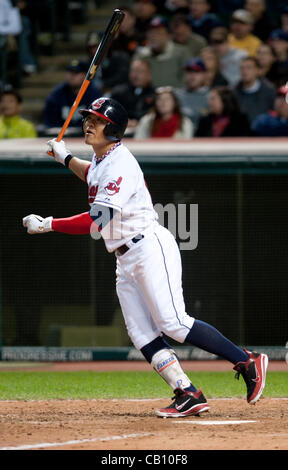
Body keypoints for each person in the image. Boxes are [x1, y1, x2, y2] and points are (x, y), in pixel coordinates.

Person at [22, 96, 268, 417]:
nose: (88, 124)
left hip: (148, 247)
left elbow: (98, 218)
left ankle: (246, 360)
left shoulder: (120, 161)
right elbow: (93, 176)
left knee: (174, 323)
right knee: (141, 334)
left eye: (97, 121)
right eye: (88, 119)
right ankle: (187, 392)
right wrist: (65, 157)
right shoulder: (102, 159)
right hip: (124, 257)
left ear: (113, 129)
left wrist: (49, 224)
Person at [42, 59, 101, 134]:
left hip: (86, 137)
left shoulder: (94, 94)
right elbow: (49, 124)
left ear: (85, 75)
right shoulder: (57, 94)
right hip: (61, 138)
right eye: (70, 72)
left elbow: (98, 123)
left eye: (76, 73)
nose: (71, 76)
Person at [133, 15, 190, 88]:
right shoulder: (141, 54)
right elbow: (134, 77)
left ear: (168, 36)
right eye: (151, 33)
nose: (154, 37)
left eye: (159, 33)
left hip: (175, 95)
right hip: (148, 96)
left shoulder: (181, 52)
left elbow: (187, 78)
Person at [109, 59, 155, 136]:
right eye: (133, 71)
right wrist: (124, 121)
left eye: (140, 71)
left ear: (149, 75)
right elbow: (111, 112)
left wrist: (140, 122)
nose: (135, 75)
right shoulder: (118, 92)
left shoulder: (155, 95)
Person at [234, 56, 276, 124]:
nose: (244, 71)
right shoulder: (234, 91)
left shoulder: (269, 91)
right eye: (242, 68)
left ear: (257, 70)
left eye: (249, 68)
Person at [175, 57, 209, 129]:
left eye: (197, 71)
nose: (192, 75)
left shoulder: (211, 96)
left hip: (204, 138)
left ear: (204, 74)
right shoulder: (176, 96)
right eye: (189, 71)